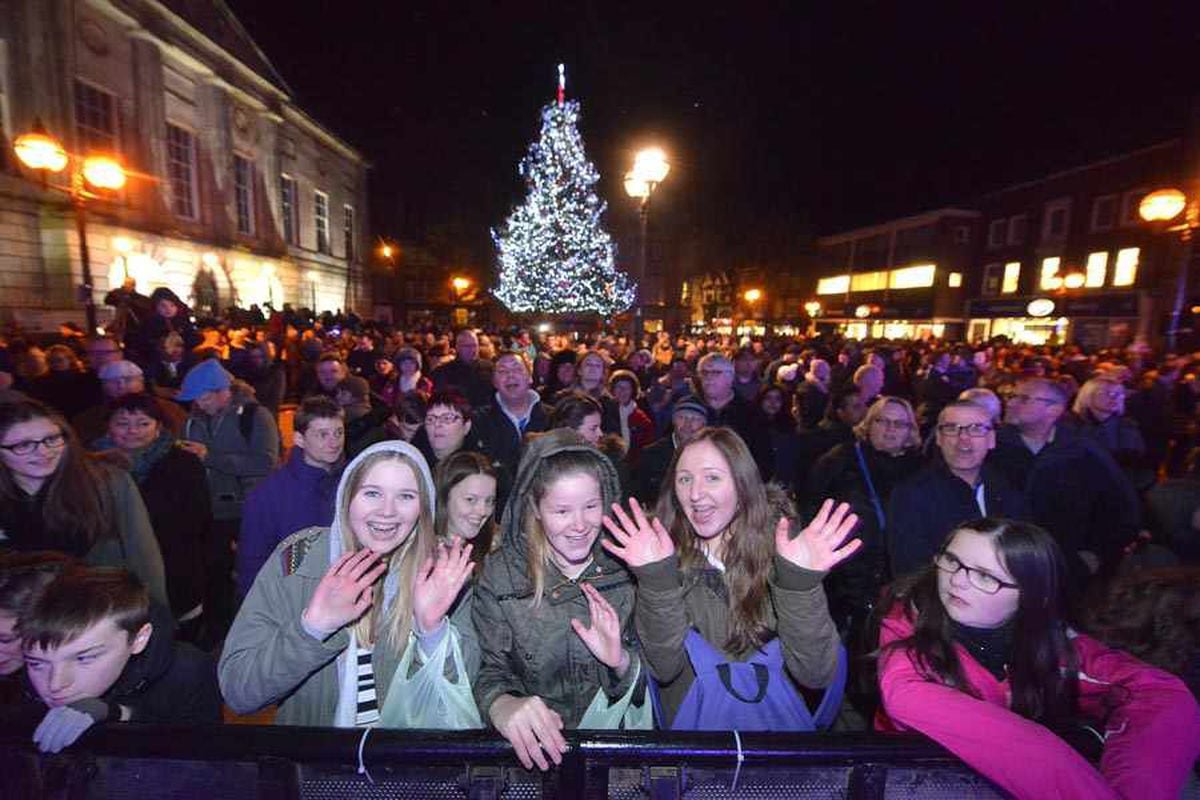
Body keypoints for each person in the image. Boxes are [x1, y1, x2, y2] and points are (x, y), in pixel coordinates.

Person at [875, 518, 1200, 800]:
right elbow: (908, 695)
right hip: (916, 782)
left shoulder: (1050, 642)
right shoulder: (907, 625)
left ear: (1030, 595)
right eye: (951, 560)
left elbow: (1159, 693)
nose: (957, 580)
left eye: (985, 576)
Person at [603, 426, 859, 727]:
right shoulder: (659, 555)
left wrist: (799, 585)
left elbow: (815, 673)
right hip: (695, 743)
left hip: (771, 742)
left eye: (712, 477)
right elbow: (663, 668)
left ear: (742, 484)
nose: (695, 494)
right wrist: (657, 581)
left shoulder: (785, 553)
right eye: (685, 479)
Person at [220, 440, 478, 727]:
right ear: (347, 497)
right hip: (313, 762)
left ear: (424, 507)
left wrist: (431, 632)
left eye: (406, 496)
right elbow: (238, 691)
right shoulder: (298, 560)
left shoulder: (441, 571)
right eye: (372, 493)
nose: (387, 511)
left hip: (401, 762)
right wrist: (313, 628)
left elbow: (461, 702)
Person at [473, 430, 645, 771]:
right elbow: (486, 667)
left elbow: (667, 680)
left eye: (591, 507)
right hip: (531, 761)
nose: (580, 525)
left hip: (617, 759)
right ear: (535, 508)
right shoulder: (502, 574)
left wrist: (622, 663)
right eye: (562, 510)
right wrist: (502, 704)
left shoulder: (628, 568)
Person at [8, 567, 220, 753]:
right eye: (36, 663)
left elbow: (202, 763)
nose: (55, 684)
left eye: (84, 658)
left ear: (139, 639)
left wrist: (120, 714)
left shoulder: (188, 673)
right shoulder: (19, 675)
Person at [0, 400, 167, 607]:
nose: (43, 451)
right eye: (23, 445)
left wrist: (156, 612)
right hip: (17, 619)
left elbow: (143, 555)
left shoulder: (107, 483)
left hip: (99, 612)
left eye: (51, 439)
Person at [990, 376, 1142, 583]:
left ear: (1054, 410)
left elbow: (1119, 505)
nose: (1011, 403)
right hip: (1001, 563)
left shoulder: (1082, 451)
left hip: (1067, 568)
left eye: (1024, 398)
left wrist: (1096, 554)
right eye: (1012, 396)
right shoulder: (991, 447)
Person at [804, 396, 924, 631]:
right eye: (882, 421)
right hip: (847, 581)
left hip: (903, 581)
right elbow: (811, 509)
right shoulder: (840, 460)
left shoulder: (921, 469)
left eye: (899, 424)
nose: (890, 429)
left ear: (910, 431)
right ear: (868, 425)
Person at [178, 359, 279, 635]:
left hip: (245, 509)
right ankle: (217, 630)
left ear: (225, 390)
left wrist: (209, 457)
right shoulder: (192, 421)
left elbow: (265, 462)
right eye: (195, 399)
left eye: (205, 397)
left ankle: (253, 628)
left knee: (248, 572)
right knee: (214, 574)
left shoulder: (255, 416)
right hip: (207, 511)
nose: (200, 404)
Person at [95, 394, 209, 635]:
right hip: (109, 571)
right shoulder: (91, 466)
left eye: (143, 423)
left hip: (174, 565)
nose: (132, 431)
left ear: (158, 427)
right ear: (108, 426)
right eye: (122, 423)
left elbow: (197, 518)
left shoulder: (184, 462)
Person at [888, 401, 1029, 578]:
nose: (963, 438)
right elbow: (910, 570)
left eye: (976, 429)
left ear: (991, 439)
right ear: (938, 438)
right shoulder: (912, 494)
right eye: (951, 428)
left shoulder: (1009, 487)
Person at [237, 396, 344, 599]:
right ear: (299, 439)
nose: (334, 442)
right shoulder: (268, 495)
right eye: (322, 435)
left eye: (338, 433)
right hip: (292, 602)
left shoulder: (352, 482)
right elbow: (252, 563)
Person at [474, 351, 552, 485]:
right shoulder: (478, 420)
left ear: (530, 377)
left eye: (517, 369)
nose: (510, 375)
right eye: (502, 371)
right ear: (494, 382)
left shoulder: (553, 417)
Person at [72, 359, 187, 444]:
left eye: (128, 379)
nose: (121, 386)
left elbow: (183, 436)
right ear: (103, 385)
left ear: (141, 381)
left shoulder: (170, 409)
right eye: (113, 381)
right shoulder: (88, 418)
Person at [695, 353, 772, 479]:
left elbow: (762, 457)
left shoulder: (751, 413)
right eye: (704, 372)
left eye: (716, 372)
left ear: (730, 377)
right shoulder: (690, 409)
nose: (708, 377)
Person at [635, 394, 708, 506]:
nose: (687, 424)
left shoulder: (711, 457)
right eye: (682, 417)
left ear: (704, 424)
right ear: (673, 420)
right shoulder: (650, 455)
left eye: (695, 419)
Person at [434, 451, 498, 568]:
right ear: (444, 497)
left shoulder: (497, 549)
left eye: (489, 501)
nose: (482, 511)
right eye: (470, 499)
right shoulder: (419, 554)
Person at [432, 329, 494, 409]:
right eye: (467, 346)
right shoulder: (443, 372)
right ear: (457, 347)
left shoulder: (490, 368)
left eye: (475, 345)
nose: (472, 349)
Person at [609, 370, 654, 462]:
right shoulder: (605, 412)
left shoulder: (641, 418)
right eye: (619, 387)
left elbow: (646, 444)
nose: (623, 391)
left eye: (627, 388)